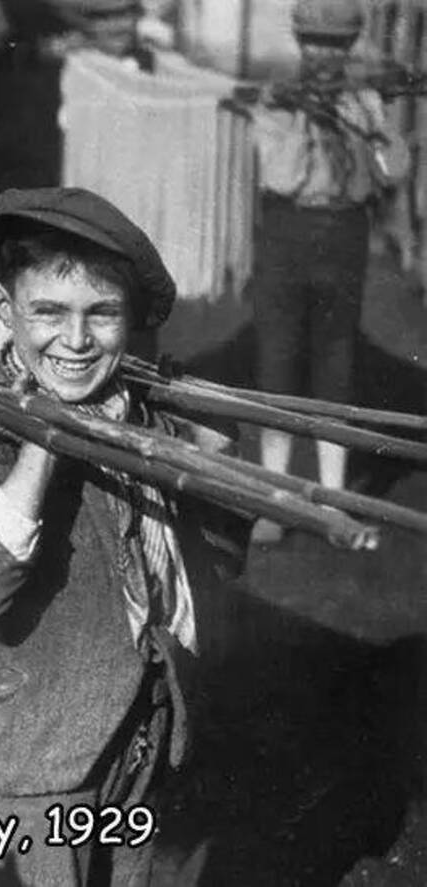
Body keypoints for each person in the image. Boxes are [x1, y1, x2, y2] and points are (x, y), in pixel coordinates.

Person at [0, 187, 251, 886]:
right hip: (27, 761)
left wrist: (217, 466)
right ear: (5, 308)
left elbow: (217, 565)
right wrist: (41, 442)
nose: (74, 341)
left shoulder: (141, 422)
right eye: (48, 312)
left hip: (139, 732)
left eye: (101, 314)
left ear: (130, 321)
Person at [227, 0, 408, 544]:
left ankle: (334, 503)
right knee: (277, 359)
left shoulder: (364, 99)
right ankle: (274, 500)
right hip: (285, 232)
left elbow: (391, 170)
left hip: (344, 235)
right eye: (313, 43)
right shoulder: (274, 98)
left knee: (336, 358)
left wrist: (369, 124)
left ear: (349, 47)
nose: (323, 55)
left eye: (334, 45)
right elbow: (275, 172)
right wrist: (291, 110)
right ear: (299, 44)